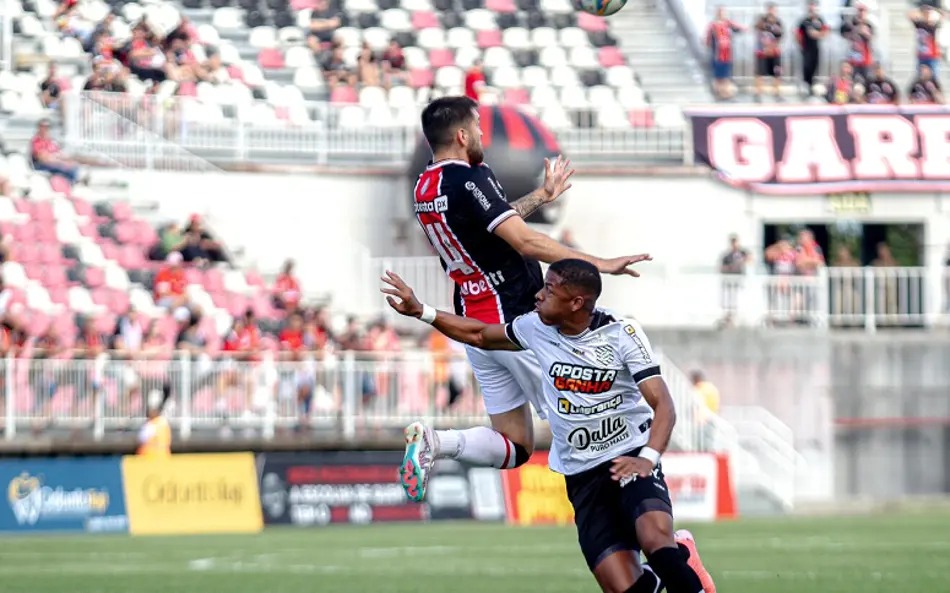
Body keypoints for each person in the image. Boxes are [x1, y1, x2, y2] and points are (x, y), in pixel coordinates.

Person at [381, 260, 717, 593]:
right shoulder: (533, 328)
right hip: (583, 475)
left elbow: (664, 405)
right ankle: (685, 556)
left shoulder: (621, 332)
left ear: (576, 302)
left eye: (549, 289)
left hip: (628, 456)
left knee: (655, 541)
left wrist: (649, 457)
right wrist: (421, 311)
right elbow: (479, 334)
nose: (538, 295)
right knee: (625, 588)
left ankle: (678, 560)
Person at [405, 95, 651, 503]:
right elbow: (524, 239)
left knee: (516, 445)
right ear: (463, 135)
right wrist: (599, 264)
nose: (484, 134)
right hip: (515, 317)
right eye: (479, 127)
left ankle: (437, 442)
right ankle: (636, 516)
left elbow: (492, 223)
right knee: (588, 416)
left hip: (476, 323)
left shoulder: (425, 186)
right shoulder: (470, 178)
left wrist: (542, 195)